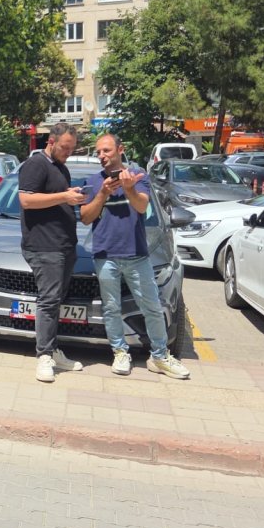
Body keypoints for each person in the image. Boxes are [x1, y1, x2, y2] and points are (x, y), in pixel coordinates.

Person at [80, 135, 190, 380]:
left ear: (120, 149)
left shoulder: (138, 175)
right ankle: (120, 352)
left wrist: (128, 188)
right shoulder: (93, 181)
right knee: (111, 308)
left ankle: (160, 357)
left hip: (136, 255)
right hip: (105, 255)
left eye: (106, 150)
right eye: (98, 152)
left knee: (151, 307)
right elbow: (86, 217)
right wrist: (103, 194)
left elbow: (141, 207)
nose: (102, 156)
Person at [18, 123, 87, 383]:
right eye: (64, 147)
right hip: (44, 246)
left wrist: (72, 197)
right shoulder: (36, 164)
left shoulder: (60, 167)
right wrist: (64, 197)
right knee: (48, 301)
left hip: (63, 246)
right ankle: (44, 356)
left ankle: (53, 350)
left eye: (71, 148)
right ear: (51, 141)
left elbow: (57, 198)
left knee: (56, 300)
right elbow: (26, 200)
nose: (68, 152)